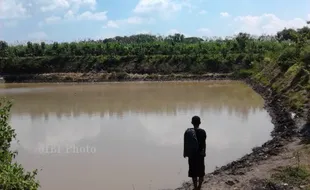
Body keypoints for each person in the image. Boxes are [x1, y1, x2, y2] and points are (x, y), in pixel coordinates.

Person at [183, 116, 207, 190]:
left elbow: (185, 143)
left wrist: (185, 153)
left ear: (191, 123)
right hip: (200, 154)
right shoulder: (202, 132)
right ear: (200, 122)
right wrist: (204, 152)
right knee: (200, 171)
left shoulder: (188, 132)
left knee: (193, 171)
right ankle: (199, 186)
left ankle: (195, 187)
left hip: (192, 155)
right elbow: (204, 143)